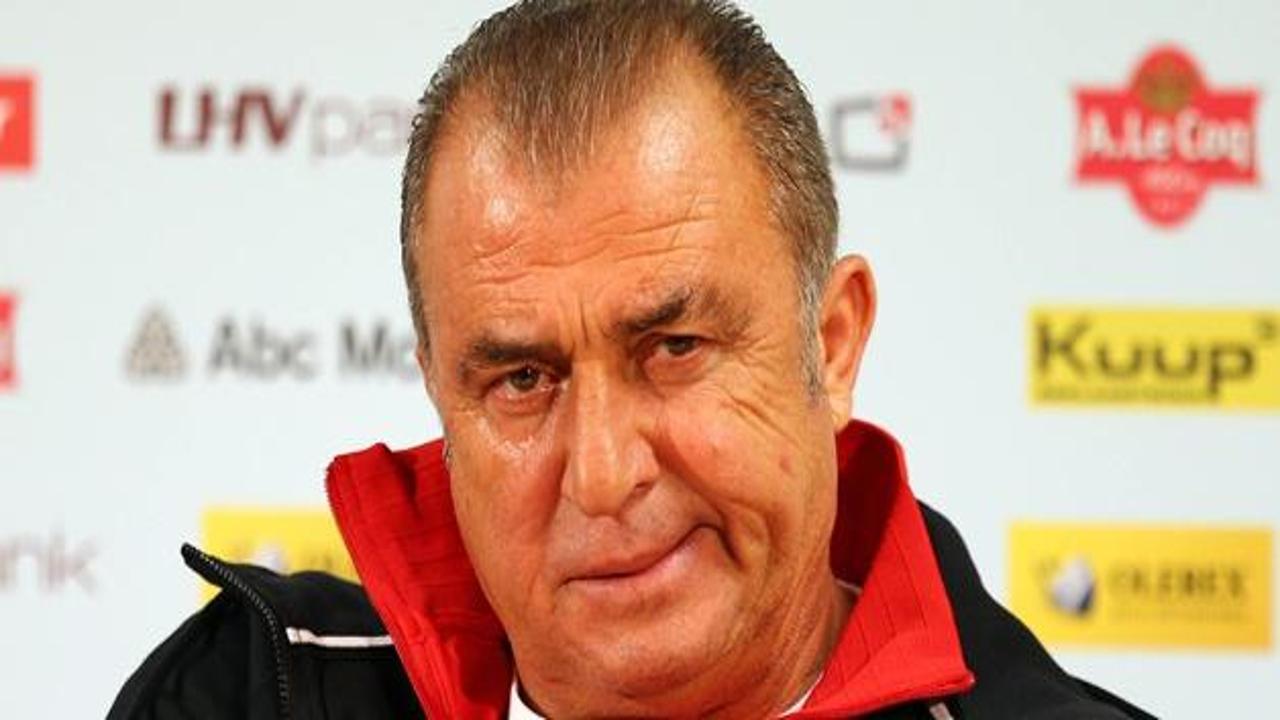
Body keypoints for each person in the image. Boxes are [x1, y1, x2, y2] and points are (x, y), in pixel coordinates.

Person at [111, 1, 1155, 718]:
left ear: (830, 346)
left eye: (674, 348)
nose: (604, 475)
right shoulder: (240, 697)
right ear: (438, 394)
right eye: (523, 380)